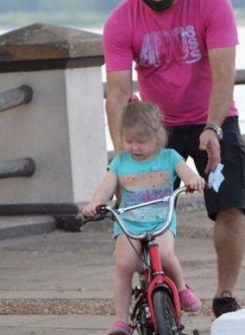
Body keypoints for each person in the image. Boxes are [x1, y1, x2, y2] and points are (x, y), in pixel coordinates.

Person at [102, 0, 245, 318]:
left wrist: (213, 127)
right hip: (156, 126)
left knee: (230, 203)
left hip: (212, 118)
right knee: (136, 211)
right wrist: (123, 155)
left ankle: (225, 294)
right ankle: (151, 287)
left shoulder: (210, 1)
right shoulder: (121, 20)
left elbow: (223, 76)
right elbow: (118, 93)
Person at [82, 100, 205, 335]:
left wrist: (193, 180)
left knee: (167, 255)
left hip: (161, 219)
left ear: (157, 136)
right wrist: (96, 203)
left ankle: (180, 288)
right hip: (129, 221)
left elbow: (187, 173)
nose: (135, 147)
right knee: (124, 263)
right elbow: (106, 188)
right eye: (128, 141)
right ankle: (120, 320)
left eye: (142, 142)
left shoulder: (169, 157)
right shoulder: (120, 162)